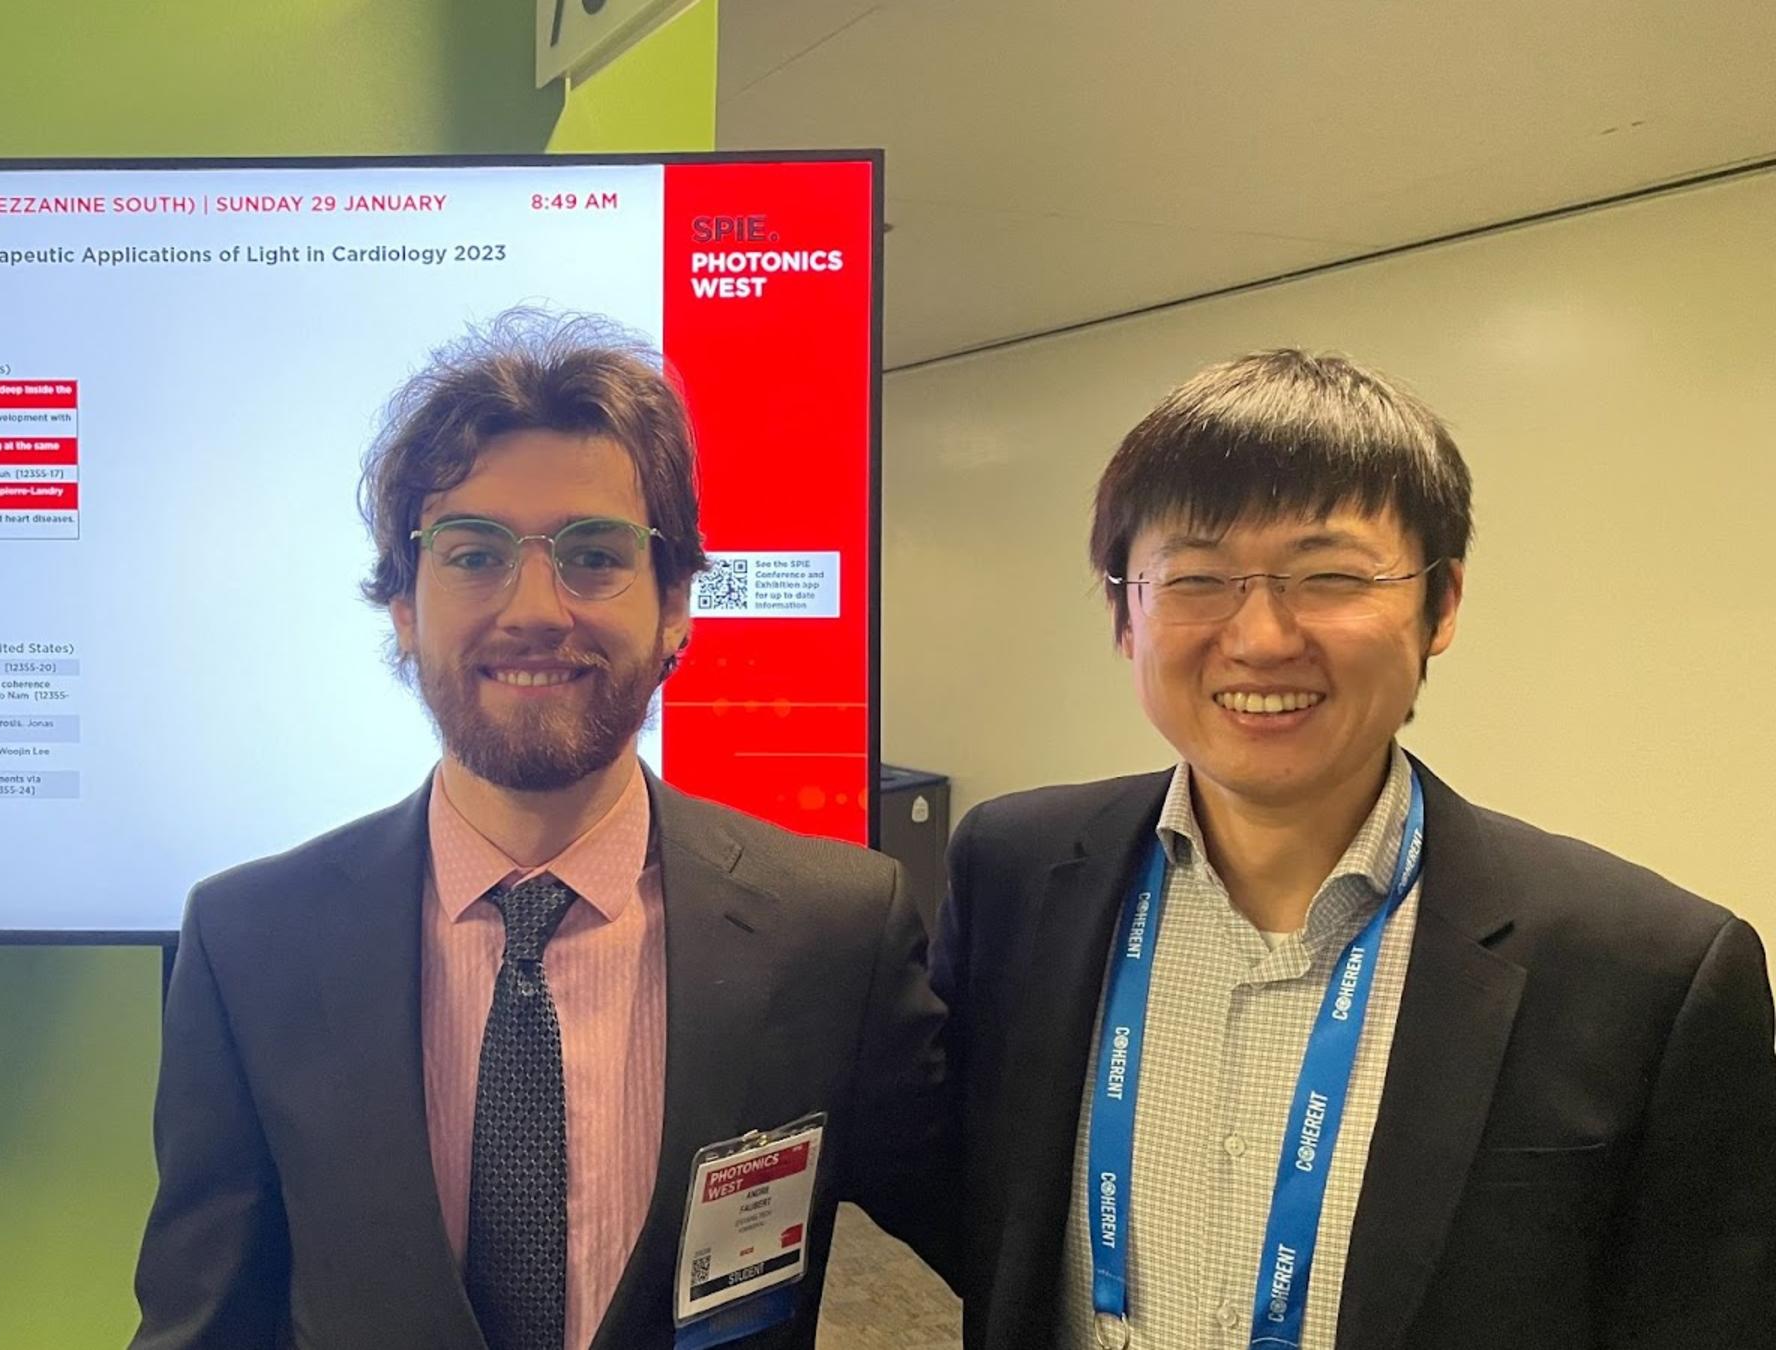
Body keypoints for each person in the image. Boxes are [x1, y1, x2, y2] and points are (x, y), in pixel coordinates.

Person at [128, 309, 945, 1350]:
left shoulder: (833, 931)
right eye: (474, 554)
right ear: (403, 607)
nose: (535, 610)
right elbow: (205, 1325)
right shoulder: (252, 942)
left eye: (593, 554)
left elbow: (1016, 1236)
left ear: (676, 604)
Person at [928, 349, 1776, 1349]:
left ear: (1441, 604)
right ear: (1125, 614)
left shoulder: (1650, 974)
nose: (1261, 638)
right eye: (1196, 577)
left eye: (1328, 575)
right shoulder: (1015, 876)